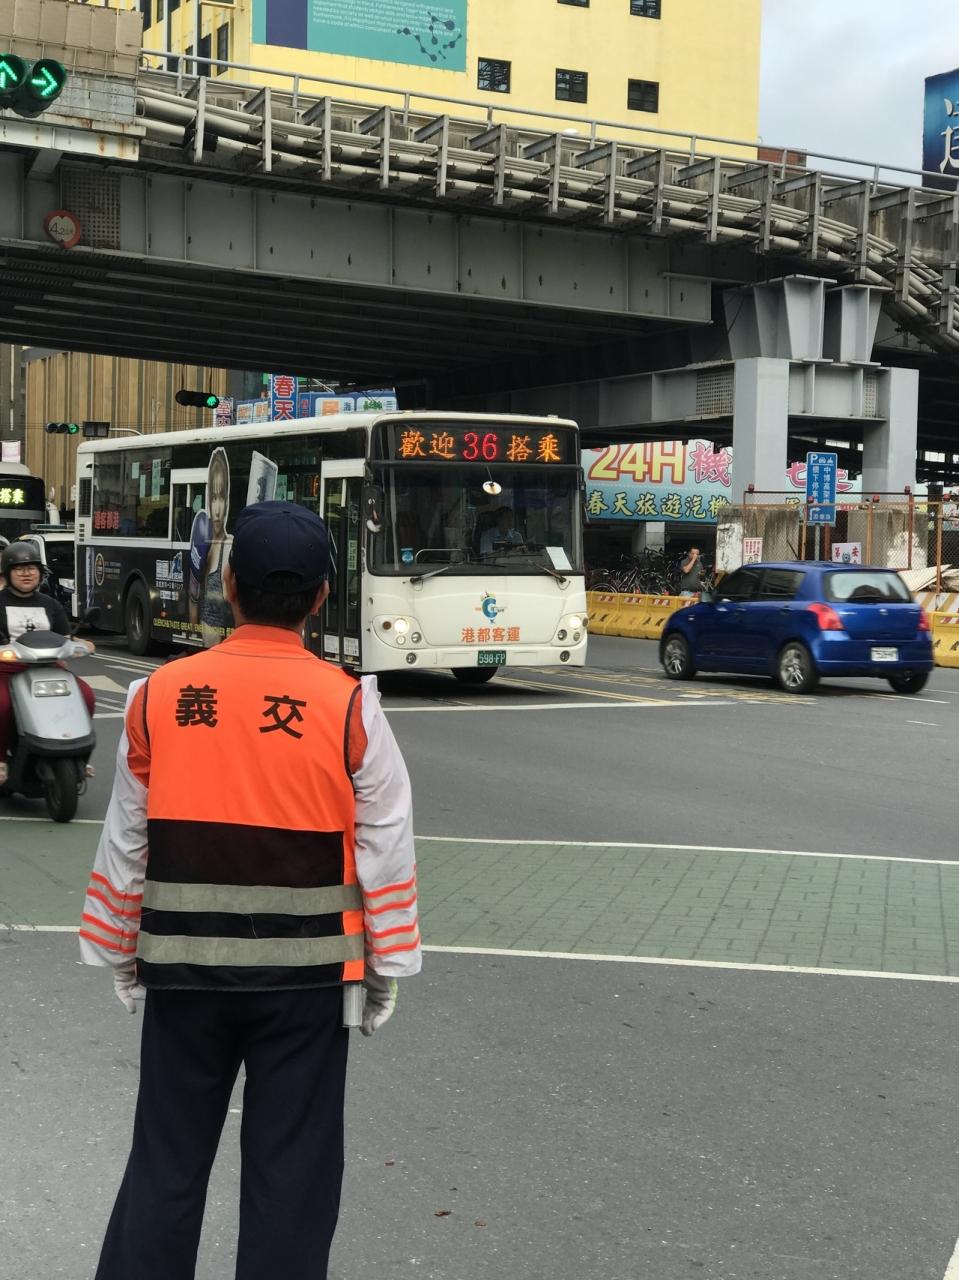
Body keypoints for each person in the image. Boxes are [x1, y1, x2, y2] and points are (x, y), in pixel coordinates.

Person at [79, 500, 421, 1280]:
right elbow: (386, 849)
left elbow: (128, 836)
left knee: (166, 1158)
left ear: (227, 586)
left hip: (183, 971)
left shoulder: (160, 694)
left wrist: (121, 951)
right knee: (292, 1172)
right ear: (321, 597)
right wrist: (385, 967)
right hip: (308, 985)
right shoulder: (350, 704)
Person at [0, 541, 96, 786]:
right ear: (8, 574)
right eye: (19, 568)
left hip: (49, 670)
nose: (26, 573)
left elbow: (65, 637)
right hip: (8, 670)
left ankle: (79, 755)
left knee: (85, 696)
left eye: (31, 568)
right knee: (2, 705)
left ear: (40, 573)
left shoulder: (50, 604)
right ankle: (1, 760)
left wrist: (81, 644)